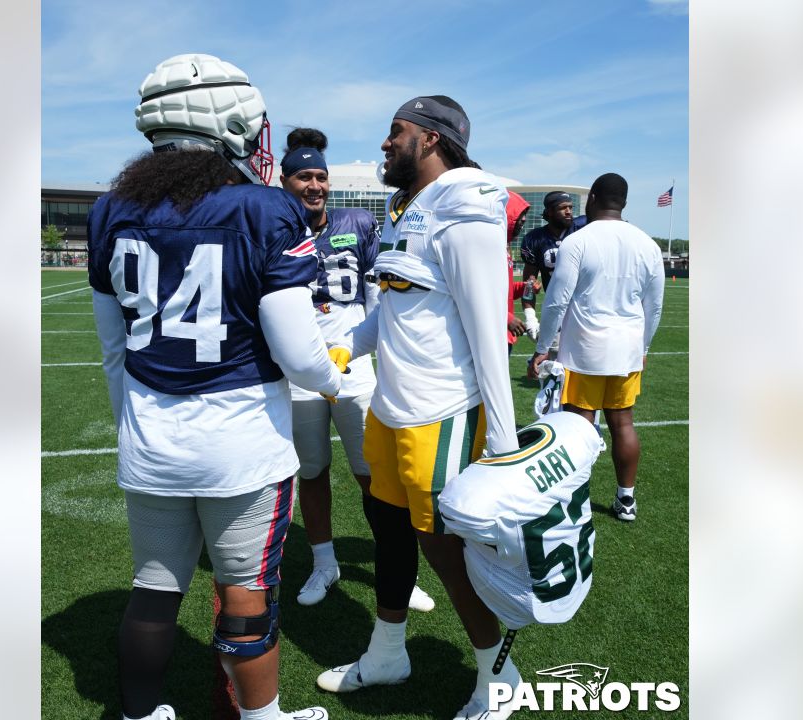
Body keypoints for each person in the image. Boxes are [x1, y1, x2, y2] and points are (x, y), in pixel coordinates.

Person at [88, 53, 339, 720]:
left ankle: (142, 713)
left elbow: (114, 349)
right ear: (226, 120)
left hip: (149, 439)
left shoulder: (111, 209)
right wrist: (335, 379)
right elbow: (298, 350)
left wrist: (131, 428)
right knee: (248, 589)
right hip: (240, 442)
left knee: (154, 588)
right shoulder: (265, 208)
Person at [316, 95, 522, 720]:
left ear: (431, 139)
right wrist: (340, 351)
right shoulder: (414, 208)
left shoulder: (465, 208)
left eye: (395, 132)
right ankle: (387, 652)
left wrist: (505, 444)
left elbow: (489, 331)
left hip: (442, 415)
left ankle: (500, 675)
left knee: (446, 552)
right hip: (390, 409)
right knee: (387, 530)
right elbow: (393, 309)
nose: (384, 144)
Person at [278, 129, 438, 613]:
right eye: (304, 177)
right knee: (313, 472)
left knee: (376, 477)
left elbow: (378, 296)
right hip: (299, 376)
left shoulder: (356, 223)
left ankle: (395, 571)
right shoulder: (274, 228)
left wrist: (379, 354)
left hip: (355, 369)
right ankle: (324, 563)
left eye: (321, 177)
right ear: (284, 182)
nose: (315, 185)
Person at [529, 173, 665, 522]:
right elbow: (654, 306)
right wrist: (644, 346)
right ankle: (626, 499)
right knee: (623, 424)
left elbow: (556, 302)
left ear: (591, 198)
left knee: (578, 425)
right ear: (624, 202)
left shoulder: (578, 241)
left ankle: (576, 499)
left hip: (584, 349)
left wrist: (543, 347)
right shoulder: (647, 243)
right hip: (627, 349)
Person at [518, 191, 587, 340]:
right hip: (556, 308)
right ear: (549, 211)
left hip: (585, 308)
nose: (569, 212)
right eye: (563, 208)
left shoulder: (582, 228)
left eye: (570, 207)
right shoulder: (535, 239)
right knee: (551, 356)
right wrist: (530, 317)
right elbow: (529, 284)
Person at [504, 191, 536, 353]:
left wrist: (524, 287)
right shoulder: (489, 247)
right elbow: (475, 291)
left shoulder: (504, 245)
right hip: (489, 333)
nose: (524, 219)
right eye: (519, 213)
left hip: (502, 333)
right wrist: (506, 318)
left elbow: (504, 291)